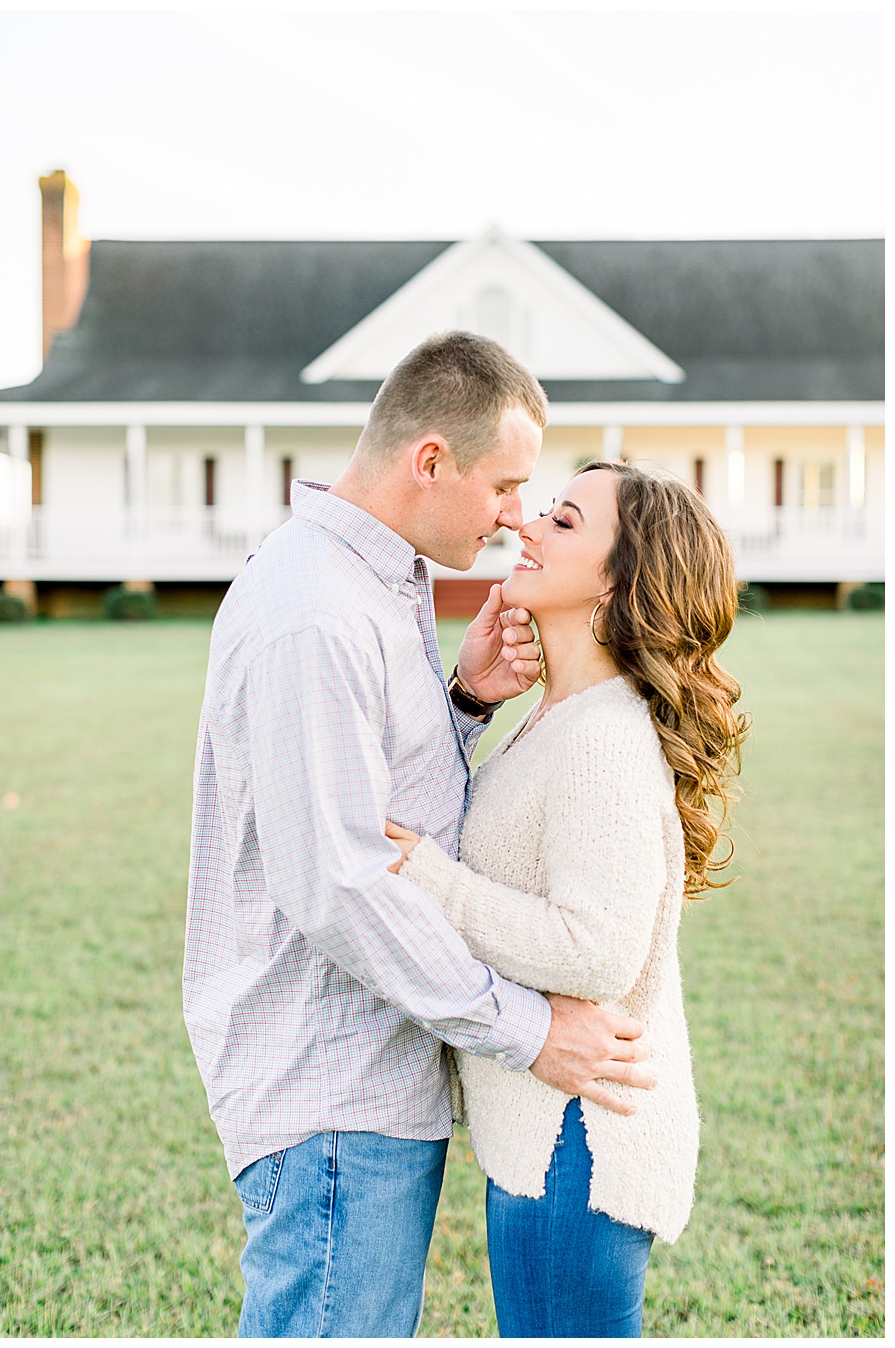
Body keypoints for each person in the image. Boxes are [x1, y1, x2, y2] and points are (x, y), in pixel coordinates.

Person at [183, 330, 658, 1339]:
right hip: (332, 1088)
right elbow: (341, 886)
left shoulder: (375, 581)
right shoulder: (314, 609)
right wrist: (531, 1032)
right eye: (506, 485)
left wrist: (464, 703)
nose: (515, 517)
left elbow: (369, 800)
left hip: (369, 1080)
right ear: (431, 459)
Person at [385, 460, 745, 1336]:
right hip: (552, 1131)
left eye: (567, 522)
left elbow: (596, 953)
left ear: (620, 580)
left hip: (582, 1141)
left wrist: (429, 879)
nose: (530, 527)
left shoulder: (604, 737)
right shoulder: (556, 713)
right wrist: (469, 698)